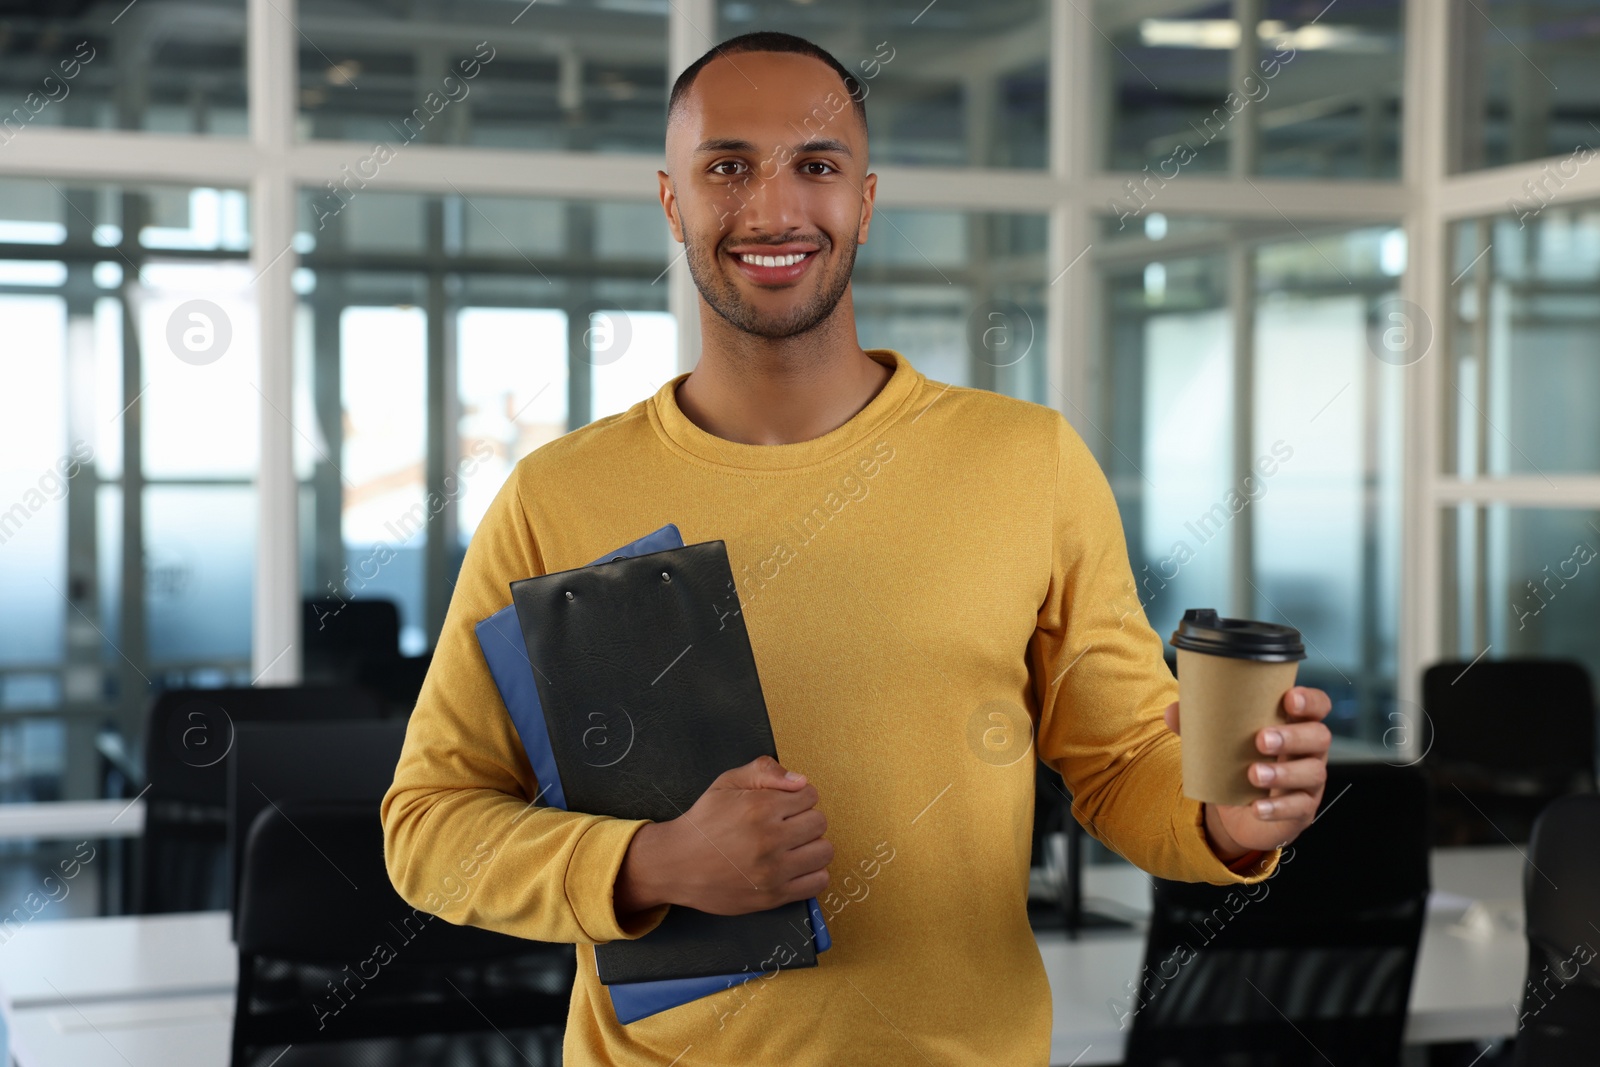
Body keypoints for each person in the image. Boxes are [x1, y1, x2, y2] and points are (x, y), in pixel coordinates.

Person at [381, 30, 1333, 1065]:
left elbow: (1117, 765)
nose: (774, 209)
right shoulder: (555, 496)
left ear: (865, 201)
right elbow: (427, 828)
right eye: (728, 167)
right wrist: (647, 862)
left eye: (817, 167)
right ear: (672, 201)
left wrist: (1230, 821)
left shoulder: (1028, 461)